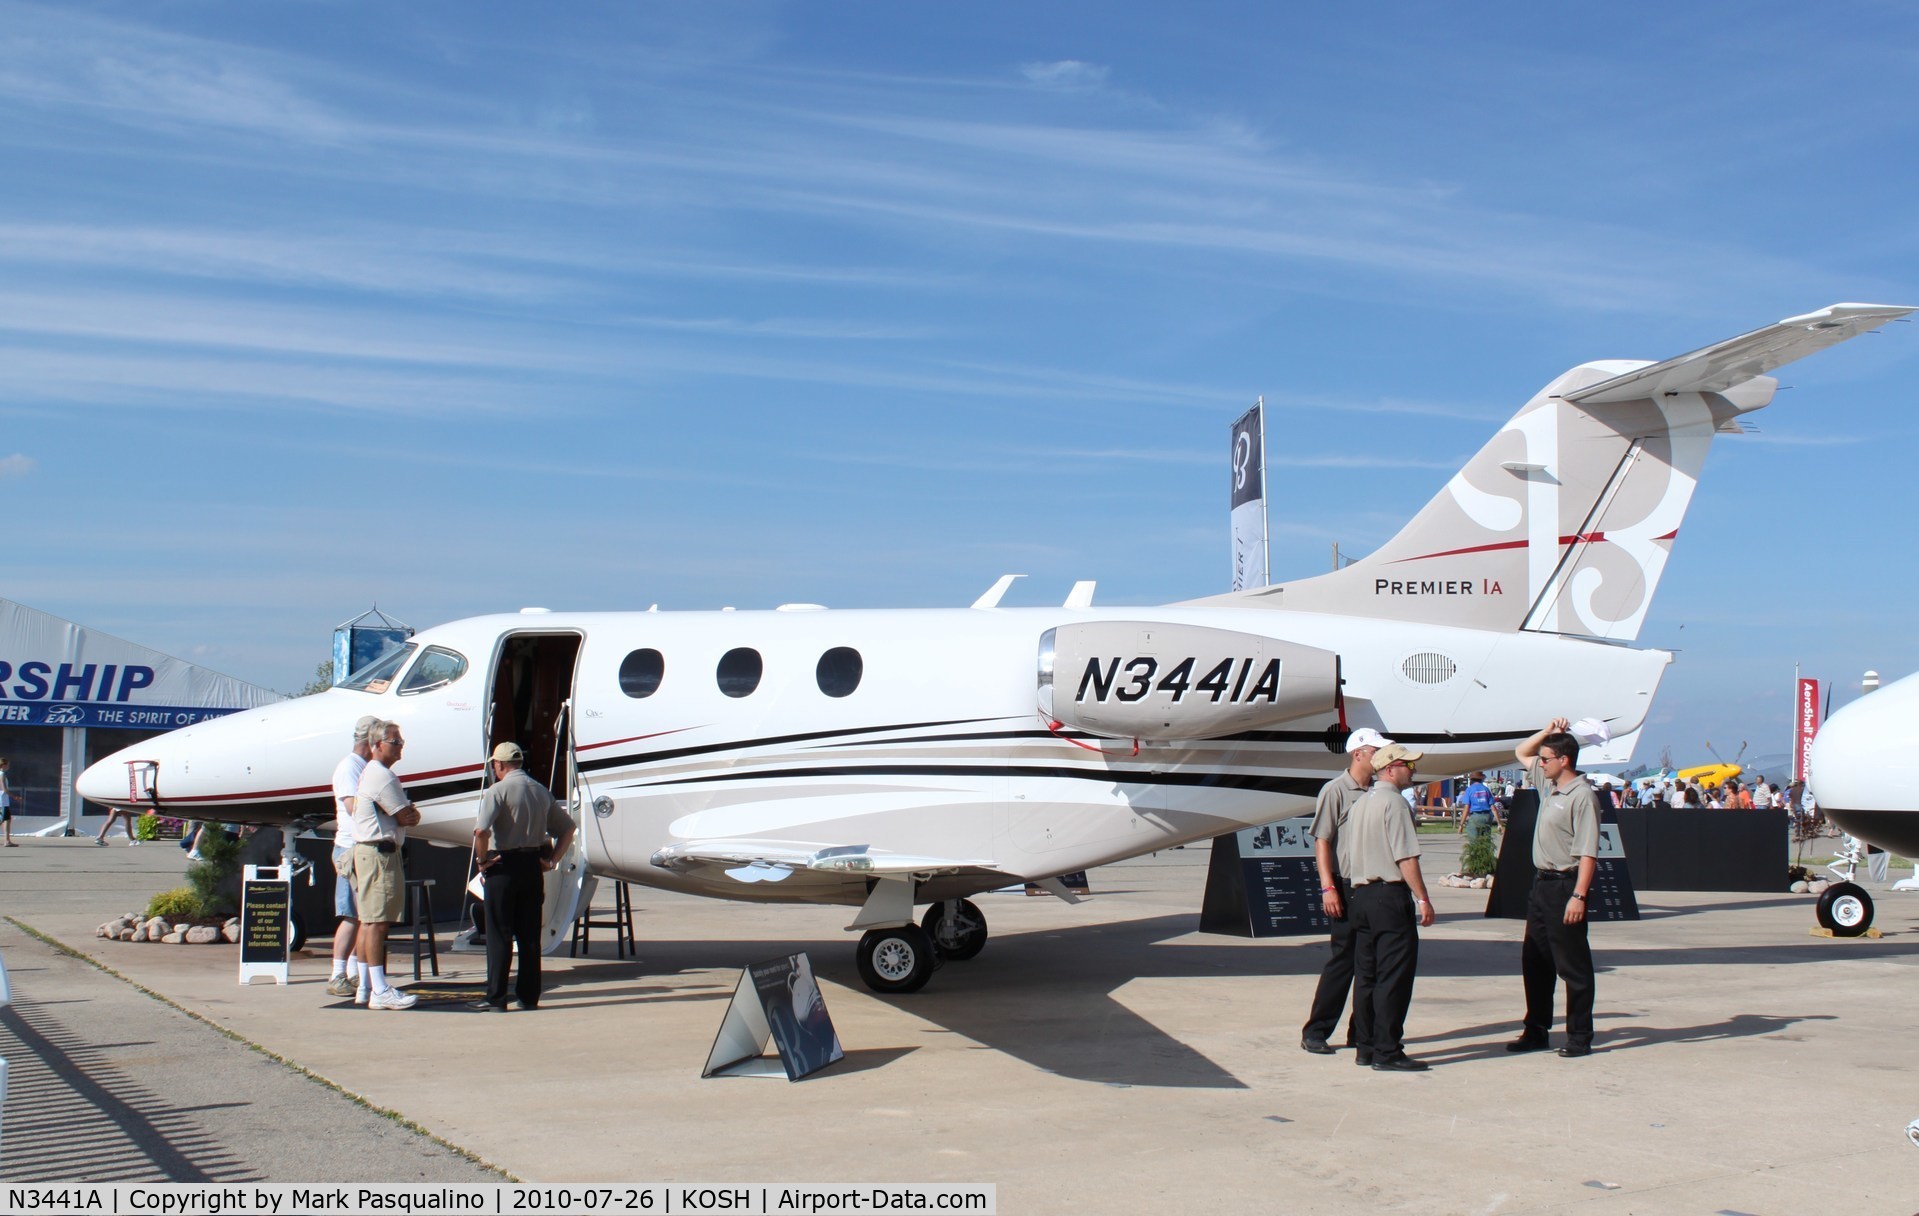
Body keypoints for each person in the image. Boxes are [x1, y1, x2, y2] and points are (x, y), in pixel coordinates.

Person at [1339, 742, 1436, 1071]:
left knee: (1366, 976)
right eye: (1408, 765)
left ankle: (1365, 1046)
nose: (1413, 771)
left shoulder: (1361, 803)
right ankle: (1387, 1049)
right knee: (1393, 977)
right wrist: (1422, 897)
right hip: (1389, 894)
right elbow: (1405, 856)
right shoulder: (1394, 804)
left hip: (1361, 894)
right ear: (1391, 768)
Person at [1509, 718, 1600, 1057]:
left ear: (1564, 761)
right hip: (1541, 885)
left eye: (1546, 758)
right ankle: (1535, 1030)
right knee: (1535, 960)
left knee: (1572, 965)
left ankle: (1579, 1035)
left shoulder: (1582, 796)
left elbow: (1588, 852)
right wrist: (1546, 734)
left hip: (1565, 885)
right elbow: (1521, 751)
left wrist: (1579, 895)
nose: (1540, 763)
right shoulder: (1549, 786)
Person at [1300, 727, 1391, 1055]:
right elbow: (1322, 840)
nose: (1381, 757)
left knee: (1372, 964)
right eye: (1375, 751)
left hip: (1372, 888)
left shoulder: (1380, 790)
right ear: (1358, 754)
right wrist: (1328, 888)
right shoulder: (1336, 790)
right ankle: (1316, 1030)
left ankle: (1361, 1031)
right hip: (1344, 885)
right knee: (1344, 962)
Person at [469, 742, 577, 1012]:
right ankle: (528, 996)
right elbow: (568, 828)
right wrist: (552, 860)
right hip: (532, 866)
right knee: (529, 935)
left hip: (503, 865)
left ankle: (496, 997)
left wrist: (482, 861)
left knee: (500, 934)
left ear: (500, 765)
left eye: (495, 764)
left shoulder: (498, 790)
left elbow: (481, 831)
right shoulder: (540, 791)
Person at [352, 720, 423, 1010]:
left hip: (370, 852)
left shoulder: (374, 774)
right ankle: (379, 990)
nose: (400, 745)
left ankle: (366, 986)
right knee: (378, 922)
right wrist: (409, 812)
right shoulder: (382, 777)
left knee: (369, 921)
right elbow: (407, 816)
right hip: (379, 854)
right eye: (395, 741)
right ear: (377, 744)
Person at [325, 715, 378, 999]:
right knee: (350, 915)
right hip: (349, 848)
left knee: (362, 915)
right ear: (369, 740)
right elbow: (351, 806)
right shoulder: (349, 768)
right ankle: (337, 973)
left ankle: (355, 971)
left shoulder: (363, 766)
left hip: (359, 846)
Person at [1457, 771, 1500, 842]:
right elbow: (1493, 807)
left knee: (1474, 841)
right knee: (1486, 840)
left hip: (1475, 816)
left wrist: (1461, 824)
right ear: (1482, 779)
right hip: (1487, 816)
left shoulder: (1469, 790)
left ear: (1471, 780)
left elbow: (1466, 808)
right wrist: (1499, 823)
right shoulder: (1486, 789)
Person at [0, 758, 14, 847]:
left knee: (7, 819)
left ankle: (7, 840)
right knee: (4, 820)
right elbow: (5, 789)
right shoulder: (2, 775)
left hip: (3, 801)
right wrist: (15, 797)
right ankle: (7, 841)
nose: (8, 766)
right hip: (2, 801)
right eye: (7, 764)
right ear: (3, 765)